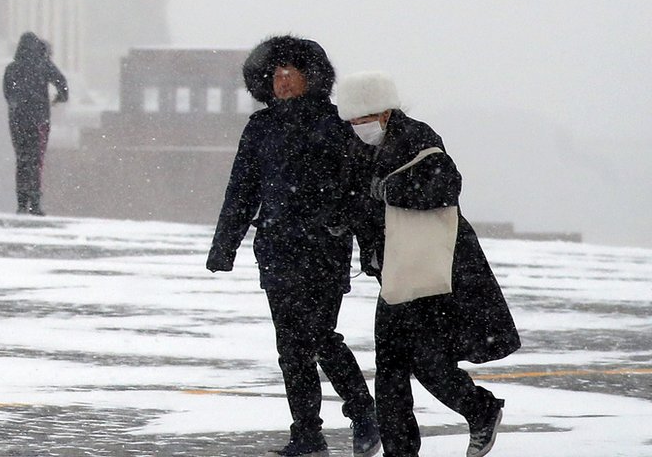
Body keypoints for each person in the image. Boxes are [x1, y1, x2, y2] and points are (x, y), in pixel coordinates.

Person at [208, 36, 380, 457]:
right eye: (276, 74)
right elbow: (241, 190)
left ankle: (364, 415)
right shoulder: (260, 127)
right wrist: (224, 246)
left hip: (324, 250)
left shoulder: (336, 125)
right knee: (291, 348)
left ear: (311, 77)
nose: (282, 81)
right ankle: (307, 435)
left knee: (321, 337)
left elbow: (359, 192)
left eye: (291, 73)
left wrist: (369, 246)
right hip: (277, 250)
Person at [333, 71, 518, 457]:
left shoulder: (416, 137)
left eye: (361, 120)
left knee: (426, 361)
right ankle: (401, 450)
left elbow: (444, 187)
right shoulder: (356, 148)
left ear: (383, 113)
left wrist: (390, 189)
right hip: (395, 273)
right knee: (390, 370)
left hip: (435, 270)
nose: (356, 128)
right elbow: (357, 200)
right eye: (350, 122)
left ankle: (479, 408)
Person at [0, 32, 69, 216]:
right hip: (39, 120)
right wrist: (60, 98)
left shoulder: (12, 68)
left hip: (17, 121)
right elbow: (62, 82)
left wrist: (18, 107)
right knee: (36, 161)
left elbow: (8, 94)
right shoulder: (43, 65)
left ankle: (21, 204)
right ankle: (35, 204)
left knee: (22, 160)